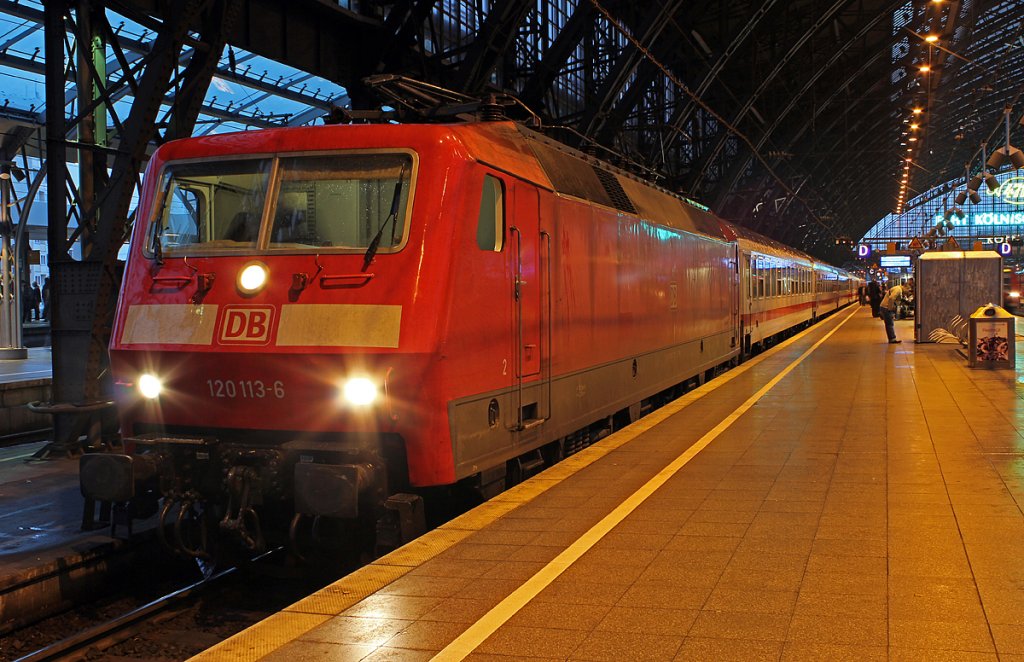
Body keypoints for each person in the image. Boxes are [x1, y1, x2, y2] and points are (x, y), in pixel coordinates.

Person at [879, 279, 911, 344]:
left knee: (889, 323)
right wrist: (890, 308)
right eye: (908, 290)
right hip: (886, 307)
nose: (908, 292)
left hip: (885, 307)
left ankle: (892, 338)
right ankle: (892, 339)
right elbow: (891, 298)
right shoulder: (898, 289)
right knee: (890, 324)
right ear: (905, 287)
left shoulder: (898, 289)